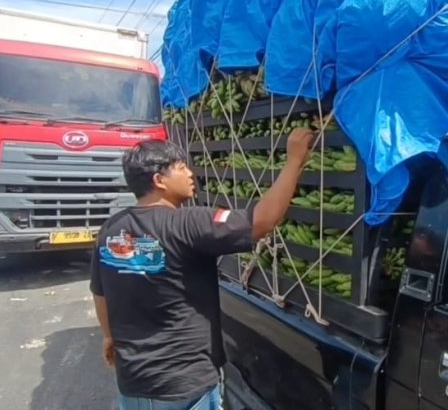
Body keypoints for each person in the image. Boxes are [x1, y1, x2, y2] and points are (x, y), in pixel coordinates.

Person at [89, 128, 315, 410]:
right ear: (159, 180)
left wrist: (109, 336)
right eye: (181, 168)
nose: (191, 174)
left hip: (133, 384)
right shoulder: (188, 223)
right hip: (185, 385)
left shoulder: (111, 230)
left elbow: (100, 293)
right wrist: (294, 160)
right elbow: (261, 222)